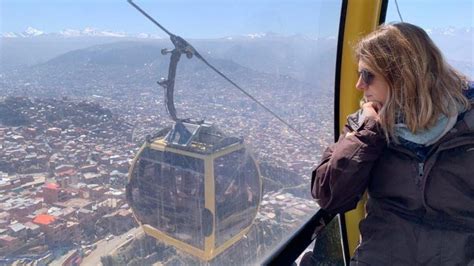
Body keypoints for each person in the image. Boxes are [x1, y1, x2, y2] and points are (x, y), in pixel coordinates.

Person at [311, 22, 474, 265]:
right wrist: (368, 134)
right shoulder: (366, 126)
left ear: (403, 76)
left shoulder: (467, 126)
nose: (359, 86)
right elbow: (330, 197)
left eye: (367, 75)